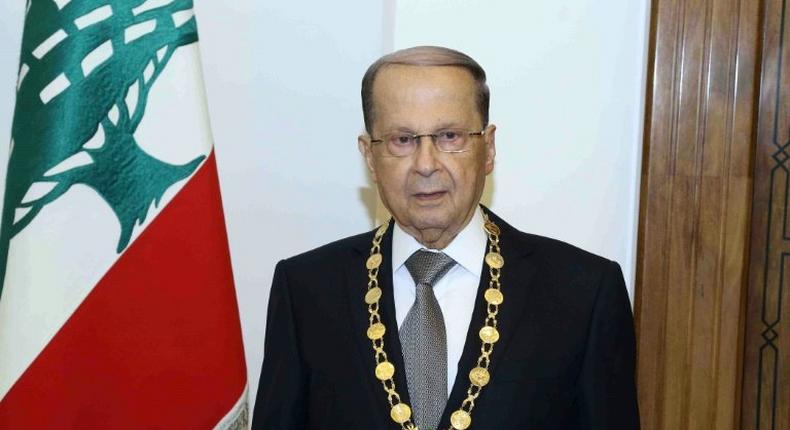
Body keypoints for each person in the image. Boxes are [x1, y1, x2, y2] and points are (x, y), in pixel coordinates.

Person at [252, 46, 640, 430]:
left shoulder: (582, 293)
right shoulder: (305, 290)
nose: (425, 164)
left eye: (449, 136)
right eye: (402, 140)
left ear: (488, 149)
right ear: (369, 157)